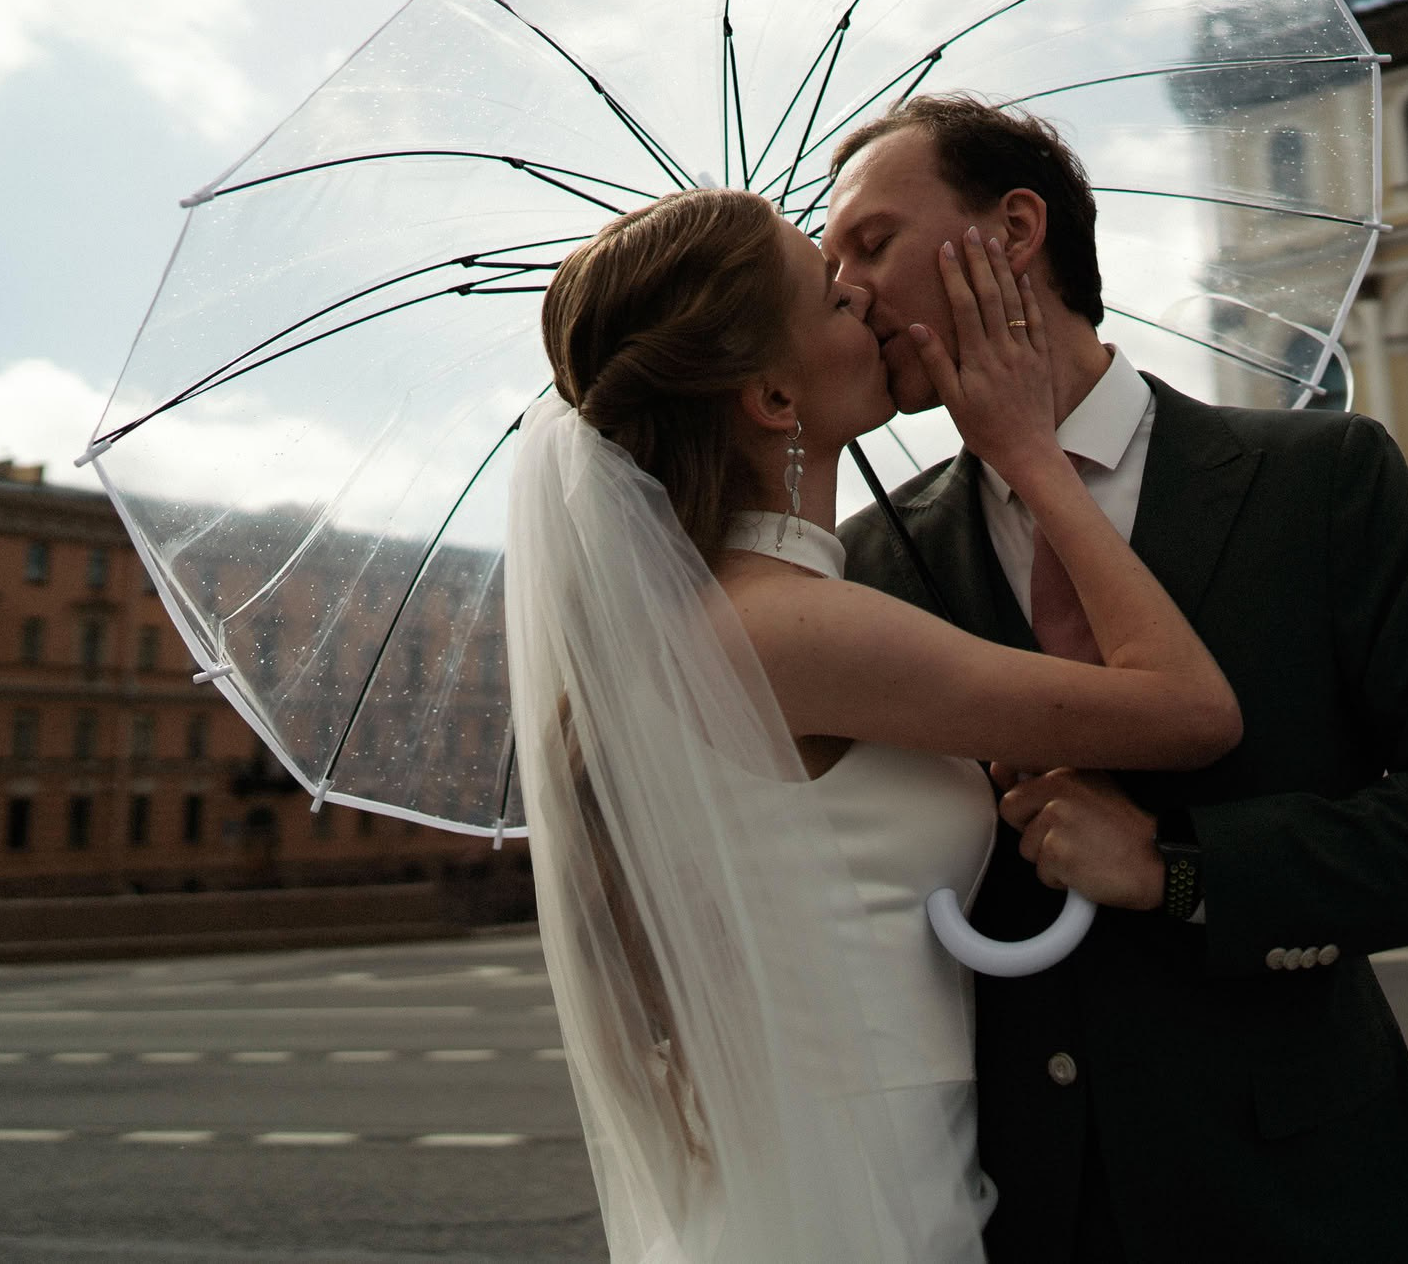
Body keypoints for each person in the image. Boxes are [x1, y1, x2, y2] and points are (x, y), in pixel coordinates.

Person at [825, 94, 1408, 1264]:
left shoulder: (1321, 484)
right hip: (1007, 1221)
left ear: (1015, 231)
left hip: (1296, 1212)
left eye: (870, 243)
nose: (844, 288)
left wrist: (1177, 872)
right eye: (830, 262)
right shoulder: (875, 561)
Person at [506, 185, 1244, 1263]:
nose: (860, 293)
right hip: (857, 1204)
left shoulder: (723, 620)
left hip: (843, 1175)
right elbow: (1192, 711)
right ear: (770, 396)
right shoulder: (780, 627)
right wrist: (1031, 454)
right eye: (827, 293)